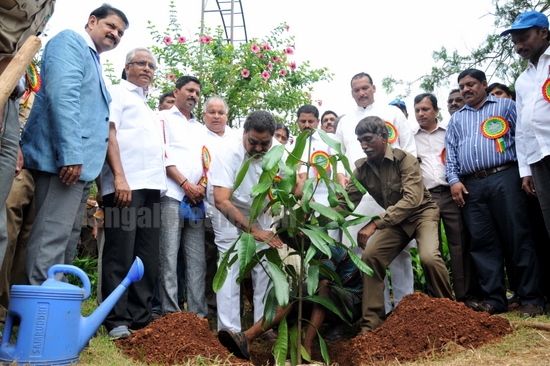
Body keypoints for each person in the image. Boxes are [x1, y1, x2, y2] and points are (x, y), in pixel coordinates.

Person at [21, 4, 129, 286]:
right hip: (64, 164)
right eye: (111, 26)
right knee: (51, 239)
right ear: (92, 21)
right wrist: (70, 154)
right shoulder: (69, 42)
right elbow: (62, 98)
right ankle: (40, 318)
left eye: (120, 33)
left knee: (66, 241)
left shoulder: (93, 59)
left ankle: (54, 309)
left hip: (80, 169)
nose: (115, 34)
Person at [334, 115, 452, 333]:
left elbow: (412, 200)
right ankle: (372, 323)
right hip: (397, 221)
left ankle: (449, 312)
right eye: (360, 141)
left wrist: (375, 224)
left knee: (428, 257)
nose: (364, 145)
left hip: (421, 214)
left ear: (384, 137)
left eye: (368, 139)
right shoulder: (362, 169)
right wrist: (319, 218)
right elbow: (347, 201)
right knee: (371, 257)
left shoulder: (405, 160)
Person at [445, 68, 545, 317]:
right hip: (472, 187)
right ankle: (494, 300)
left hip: (506, 177)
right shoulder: (456, 119)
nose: (466, 89)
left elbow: (522, 138)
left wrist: (525, 173)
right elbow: (451, 155)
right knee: (482, 243)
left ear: (484, 84)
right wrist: (454, 181)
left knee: (518, 237)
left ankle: (531, 298)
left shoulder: (505, 107)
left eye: (470, 84)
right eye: (462, 86)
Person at [333, 72, 416, 314]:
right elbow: (337, 154)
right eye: (356, 90)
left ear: (374, 88)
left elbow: (409, 149)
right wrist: (340, 175)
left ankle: (405, 308)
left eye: (365, 88)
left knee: (399, 251)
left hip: (391, 196)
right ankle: (379, 310)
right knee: (362, 251)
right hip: (358, 197)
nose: (361, 93)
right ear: (352, 93)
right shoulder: (346, 121)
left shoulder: (393, 114)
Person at [100, 47, 166, 339]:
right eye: (141, 63)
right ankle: (116, 320)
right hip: (125, 187)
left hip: (152, 189)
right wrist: (119, 178)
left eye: (152, 66)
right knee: (120, 253)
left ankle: (140, 317)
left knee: (147, 256)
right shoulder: (117, 92)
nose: (147, 69)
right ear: (127, 67)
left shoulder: (148, 106)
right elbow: (109, 133)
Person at [217, 244, 362, 360]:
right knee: (294, 294)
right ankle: (248, 337)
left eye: (289, 240)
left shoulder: (323, 247)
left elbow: (323, 294)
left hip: (353, 302)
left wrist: (307, 343)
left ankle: (248, 336)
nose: (288, 244)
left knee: (300, 293)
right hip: (341, 300)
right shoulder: (311, 247)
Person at [210, 110, 284, 332]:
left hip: (260, 209)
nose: (259, 149)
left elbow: (293, 182)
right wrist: (253, 231)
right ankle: (229, 330)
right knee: (230, 262)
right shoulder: (227, 151)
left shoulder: (279, 150)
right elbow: (221, 201)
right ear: (244, 134)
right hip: (227, 209)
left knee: (265, 265)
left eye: (265, 143)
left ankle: (262, 327)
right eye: (253, 142)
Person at [0, 0, 56, 281]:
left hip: (9, 100)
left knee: (9, 230)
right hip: (17, 150)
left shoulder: (50, 8)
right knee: (6, 224)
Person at [412, 93, 480, 304]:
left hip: (452, 194)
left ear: (436, 111)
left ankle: (465, 297)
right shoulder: (411, 138)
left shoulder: (450, 131)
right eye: (417, 110)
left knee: (459, 245)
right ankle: (438, 300)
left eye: (425, 109)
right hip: (426, 198)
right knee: (431, 249)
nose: (421, 113)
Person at [157, 75, 208, 319]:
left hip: (197, 200)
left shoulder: (201, 129)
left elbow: (207, 162)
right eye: (189, 90)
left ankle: (198, 314)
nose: (194, 96)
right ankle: (171, 312)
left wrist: (200, 187)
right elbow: (163, 155)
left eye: (197, 93)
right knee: (168, 255)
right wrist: (186, 184)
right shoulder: (162, 118)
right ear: (176, 92)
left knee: (197, 259)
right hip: (172, 194)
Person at [501, 11, 550, 241]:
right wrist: (526, 170)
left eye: (524, 38)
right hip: (538, 160)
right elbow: (521, 130)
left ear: (543, 32)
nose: (519, 46)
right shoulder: (522, 81)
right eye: (515, 42)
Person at [202, 96, 241, 320]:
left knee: (234, 258)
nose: (216, 116)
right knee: (208, 258)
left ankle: (236, 310)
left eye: (220, 112)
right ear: (204, 115)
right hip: (205, 205)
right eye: (211, 112)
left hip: (235, 207)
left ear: (227, 116)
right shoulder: (197, 135)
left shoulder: (237, 137)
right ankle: (210, 307)